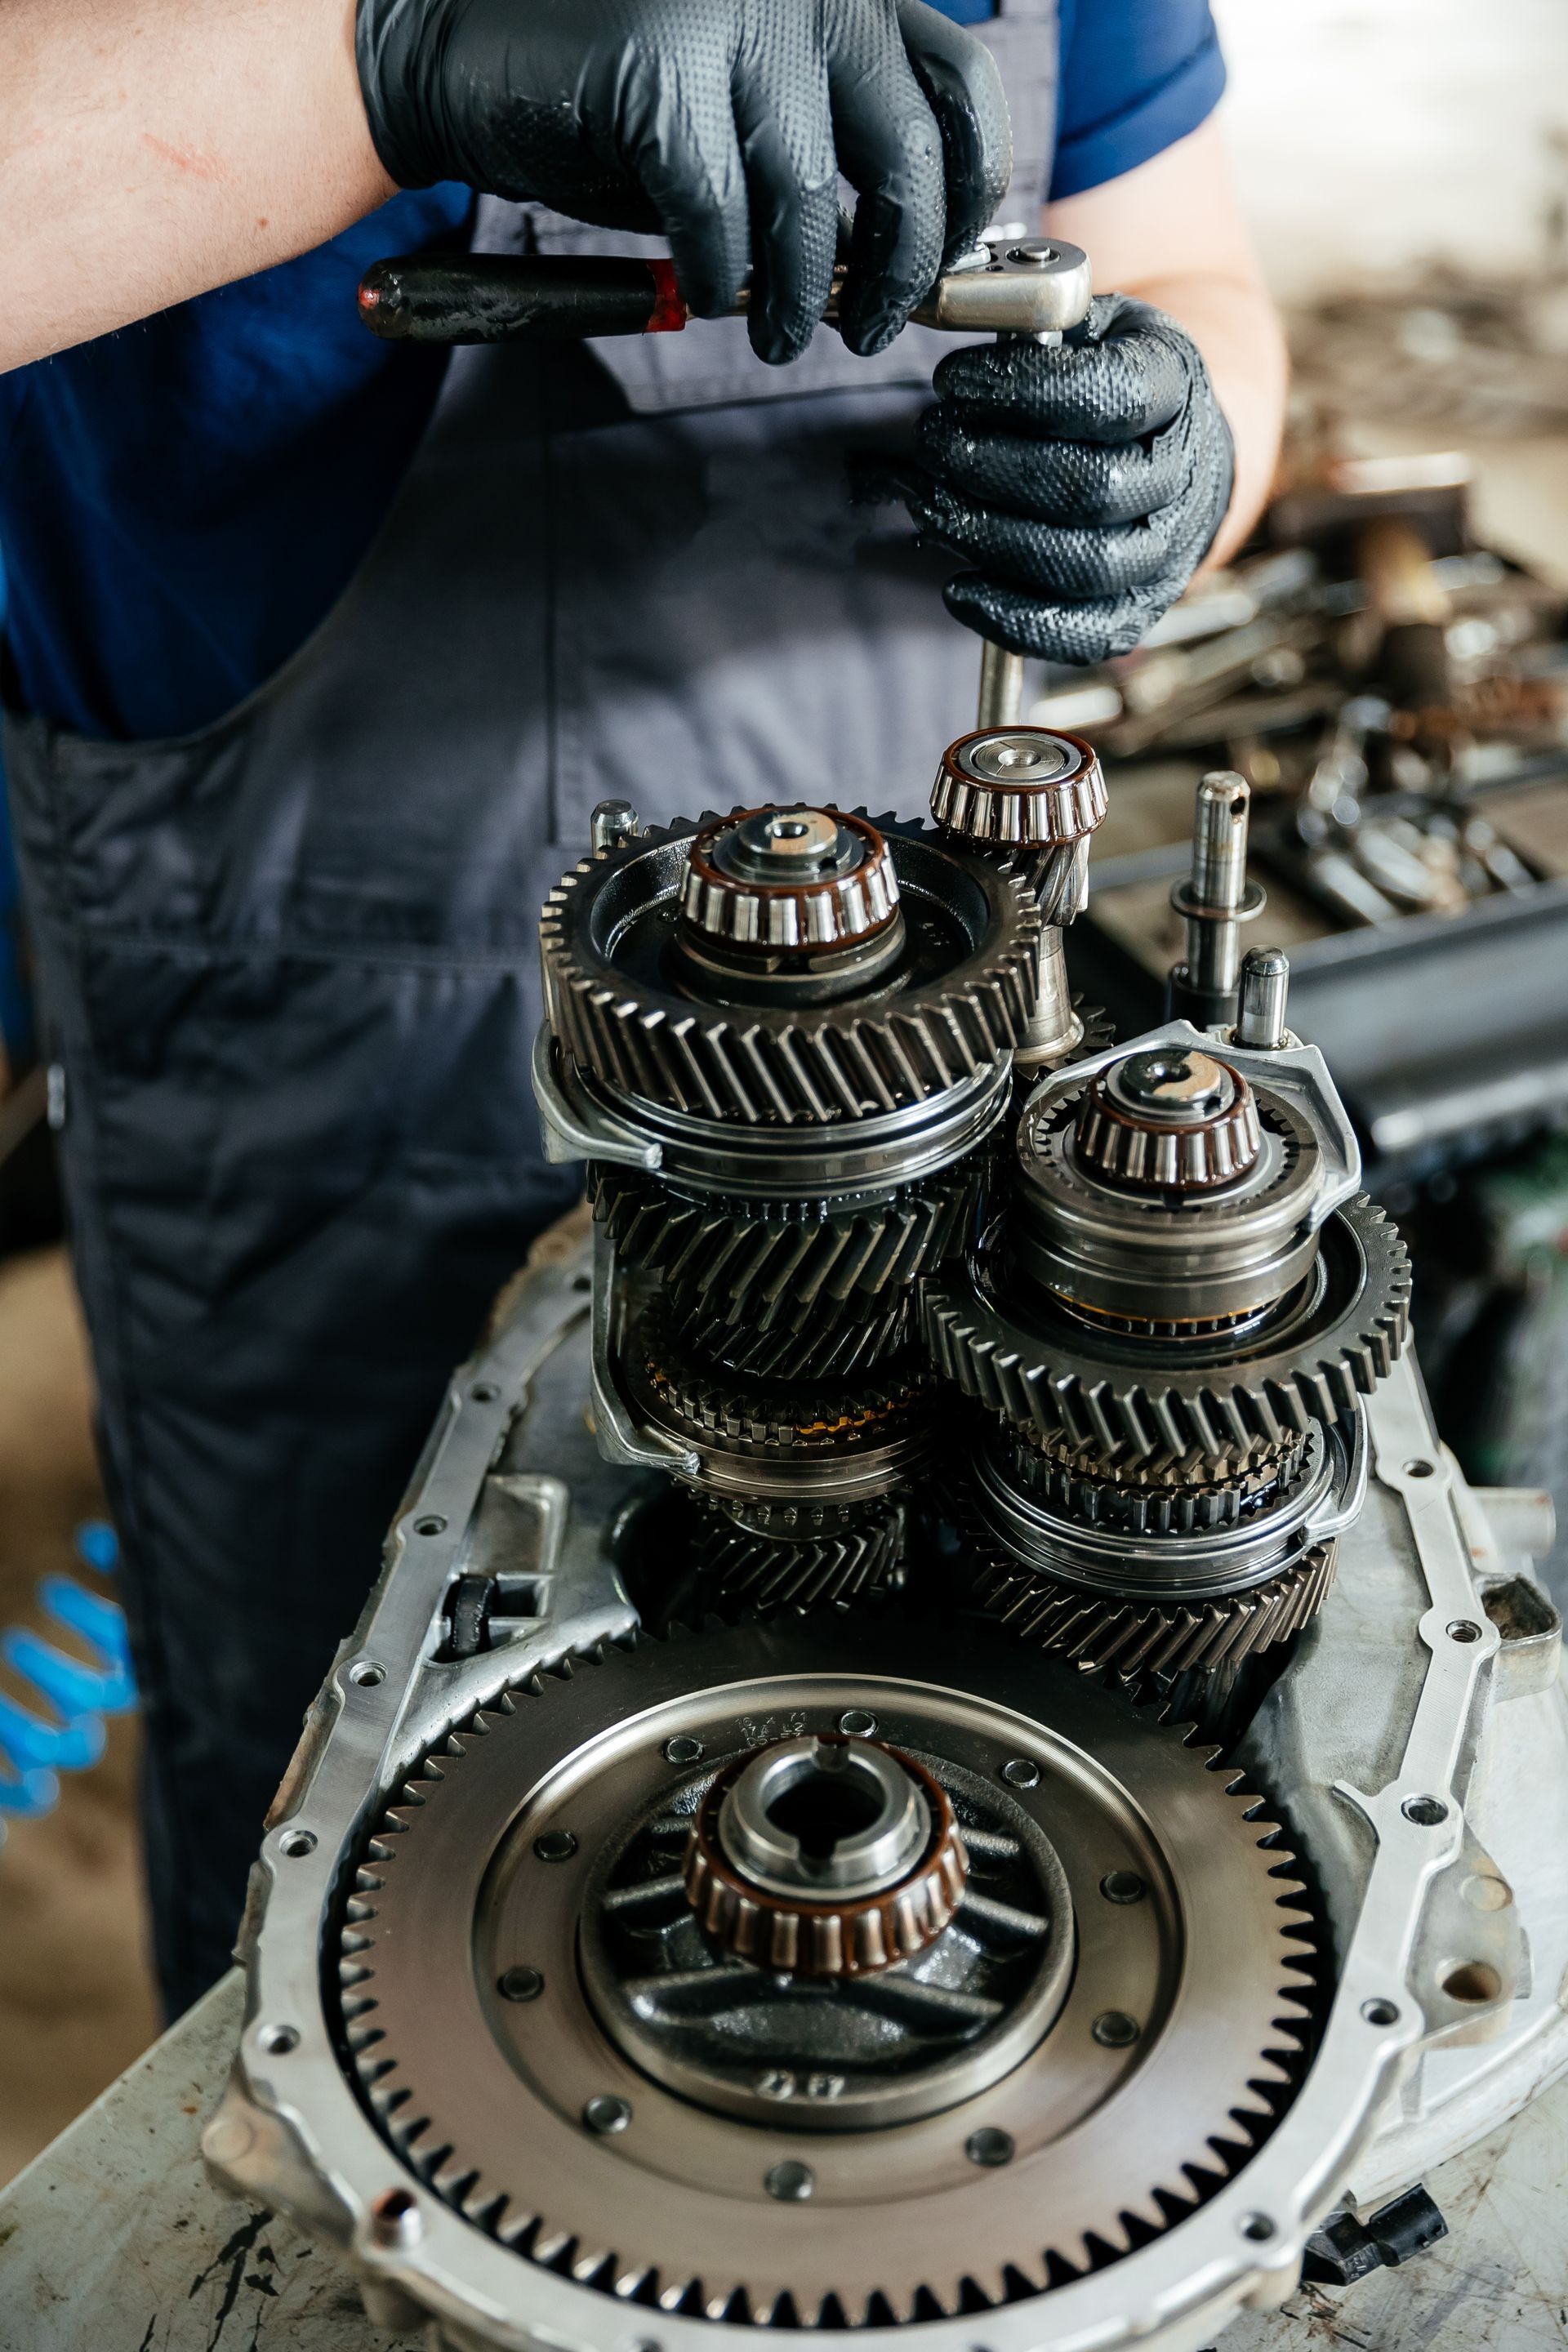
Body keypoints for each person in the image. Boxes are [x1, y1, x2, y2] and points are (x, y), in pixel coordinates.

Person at [0, 0, 1285, 2018]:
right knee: (365, 1859)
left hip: (917, 1075)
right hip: (332, 1046)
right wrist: (381, 60)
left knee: (928, 1801)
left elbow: (1180, 251)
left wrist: (1189, 447)